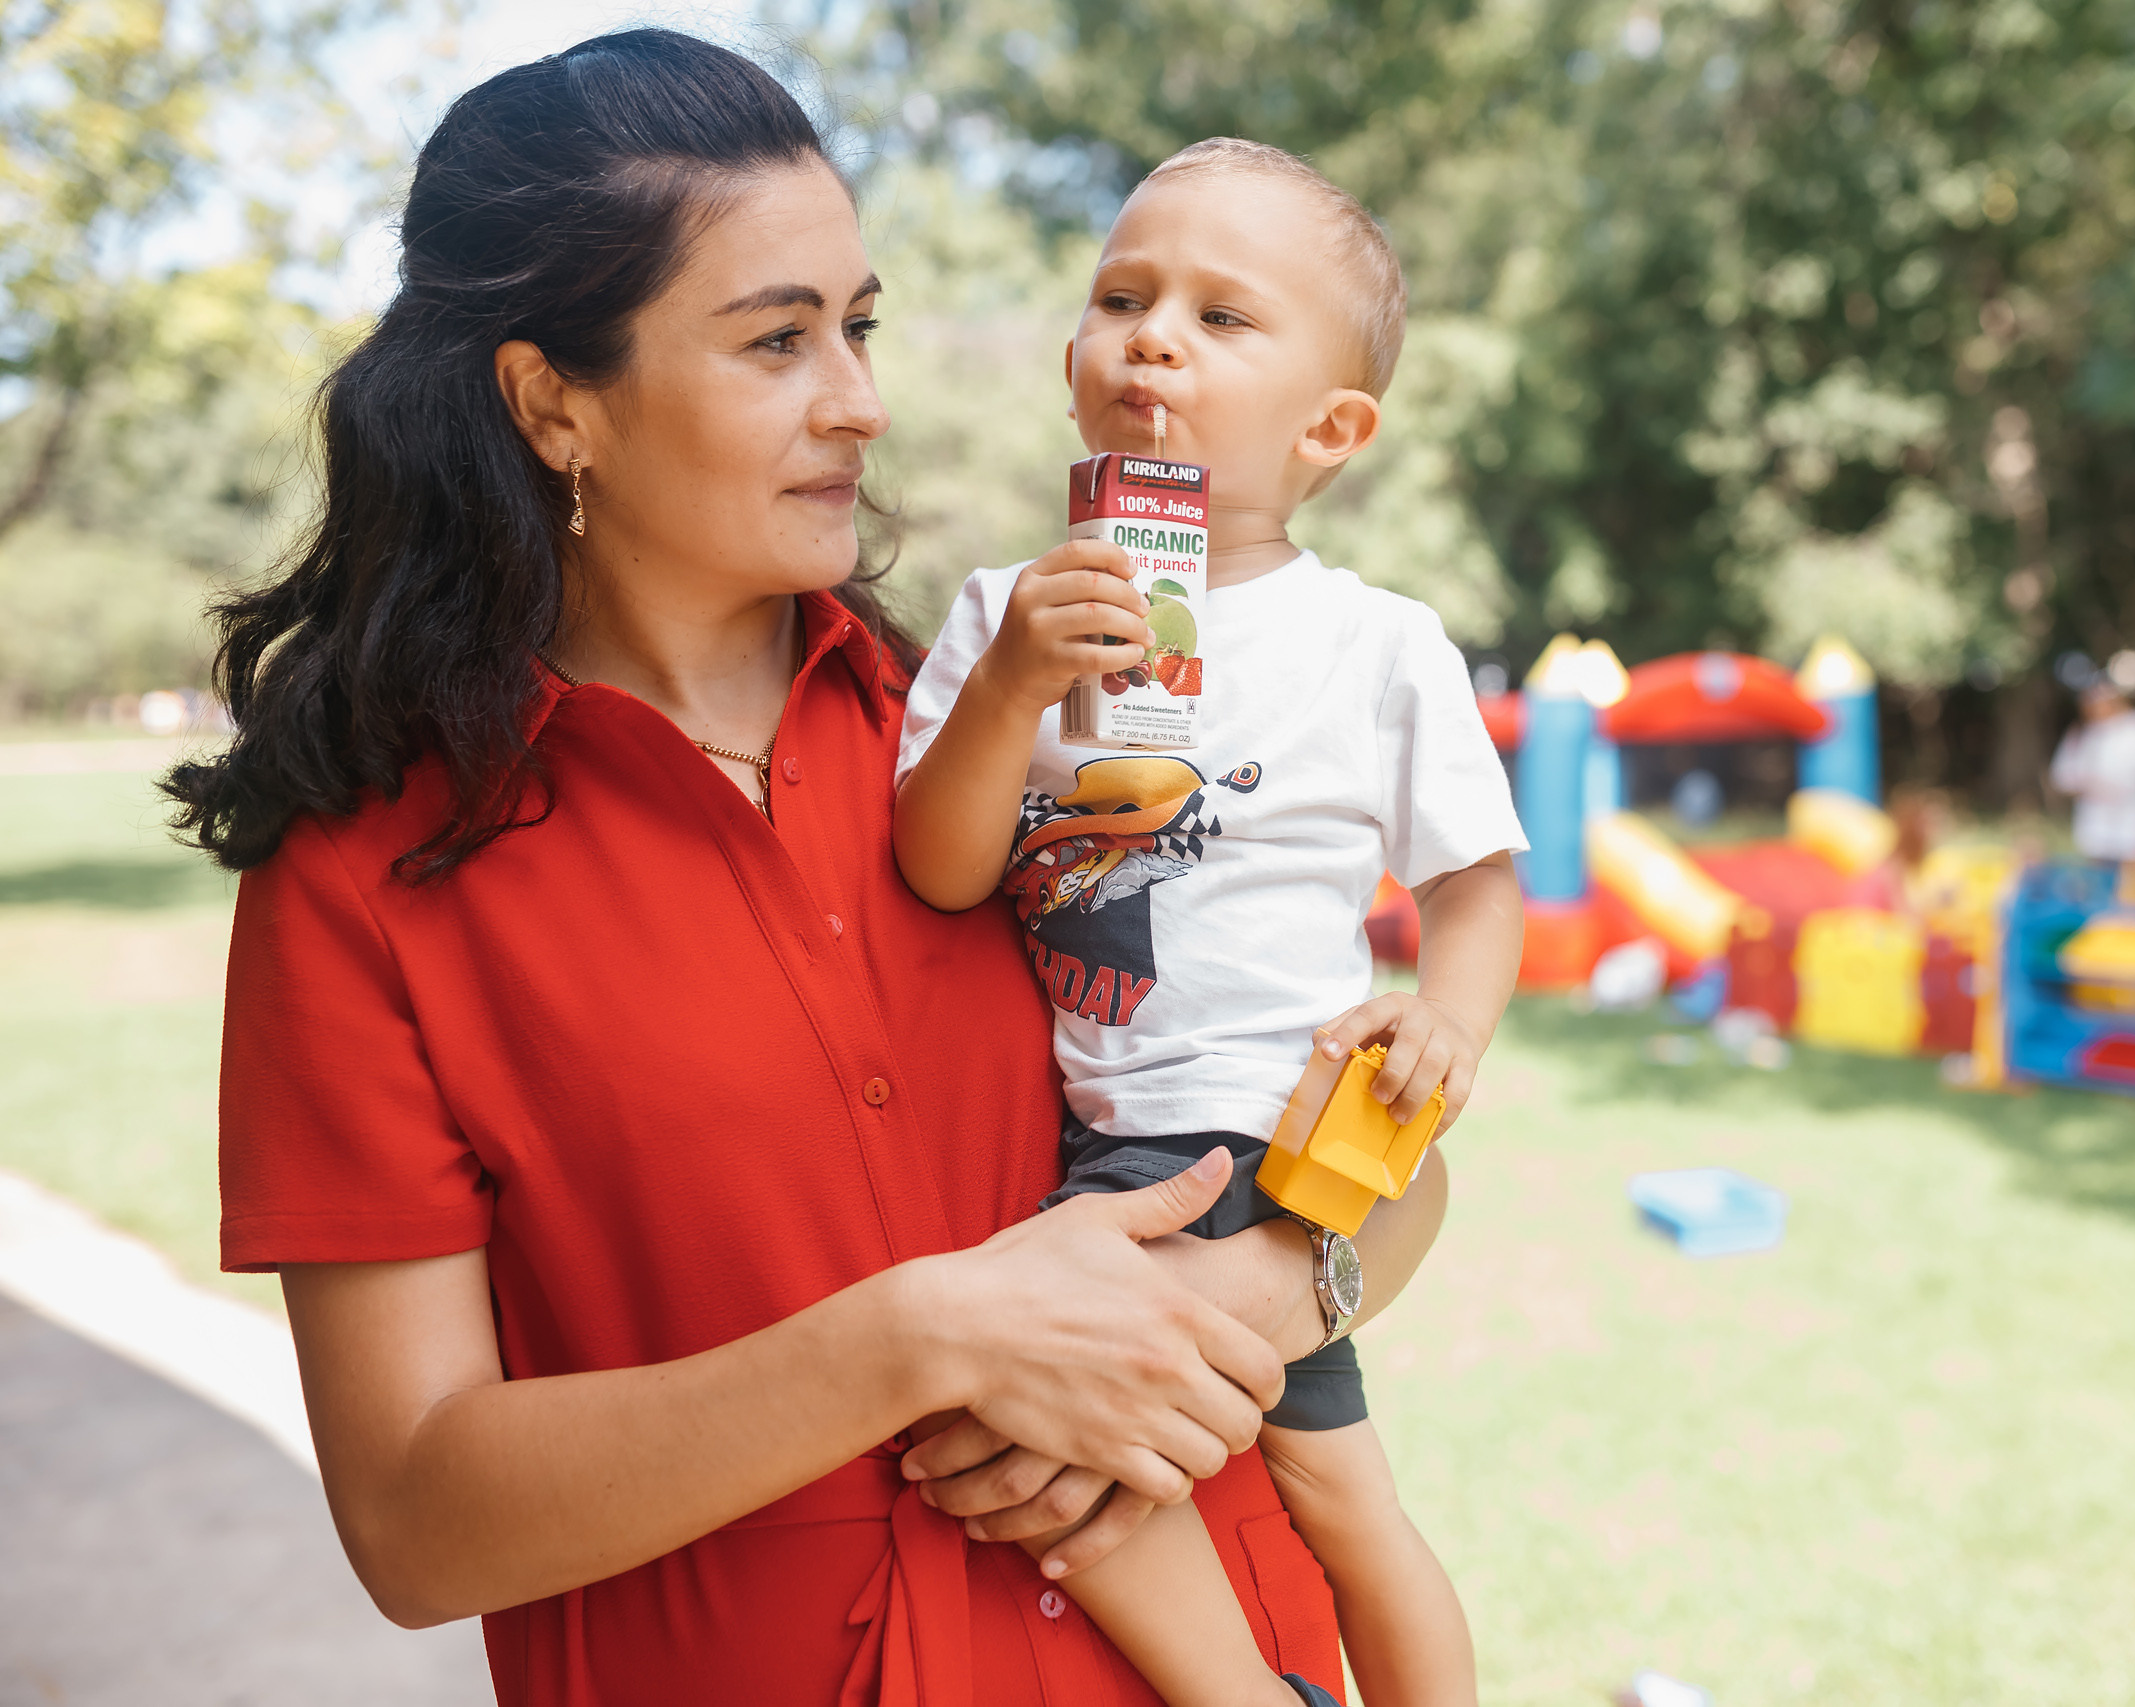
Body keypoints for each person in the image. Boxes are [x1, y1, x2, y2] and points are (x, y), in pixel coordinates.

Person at [162, 33, 1412, 1707]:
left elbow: (1392, 1150)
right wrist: (922, 1342)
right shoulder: (363, 876)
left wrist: (1267, 1281)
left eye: (859, 323)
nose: (862, 399)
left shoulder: (993, 731)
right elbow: (411, 1518)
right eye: (776, 340)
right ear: (555, 403)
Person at [894, 140, 1524, 1707]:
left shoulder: (1372, 642)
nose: (1152, 336)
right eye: (1121, 296)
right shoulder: (999, 614)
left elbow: (1477, 881)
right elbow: (941, 866)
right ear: (1072, 362)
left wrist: (1447, 1019)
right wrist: (1015, 686)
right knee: (1224, 1490)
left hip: (1294, 1135)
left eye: (1220, 317)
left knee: (1217, 1491)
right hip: (1101, 1157)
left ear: (1332, 429)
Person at [2048, 680, 2135, 895]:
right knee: (2098, 877)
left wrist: (2131, 782)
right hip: (2096, 820)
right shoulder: (2081, 734)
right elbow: (2062, 776)